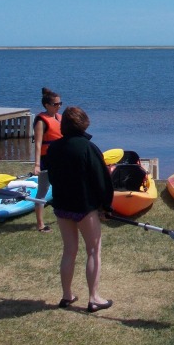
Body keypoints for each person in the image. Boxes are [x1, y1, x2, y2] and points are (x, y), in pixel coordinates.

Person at [46, 106, 114, 313]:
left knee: (69, 250)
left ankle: (67, 295)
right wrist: (106, 206)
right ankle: (94, 298)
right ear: (84, 123)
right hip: (85, 207)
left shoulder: (54, 148)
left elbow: (52, 178)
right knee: (93, 250)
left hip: (62, 207)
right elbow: (101, 180)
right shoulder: (88, 148)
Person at [32, 87, 62, 233]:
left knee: (61, 188)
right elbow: (38, 144)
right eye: (56, 104)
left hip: (59, 159)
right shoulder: (41, 121)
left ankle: (63, 216)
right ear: (47, 105)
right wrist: (37, 165)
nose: (59, 106)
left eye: (60, 103)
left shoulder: (60, 118)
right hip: (46, 160)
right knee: (42, 190)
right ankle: (40, 224)